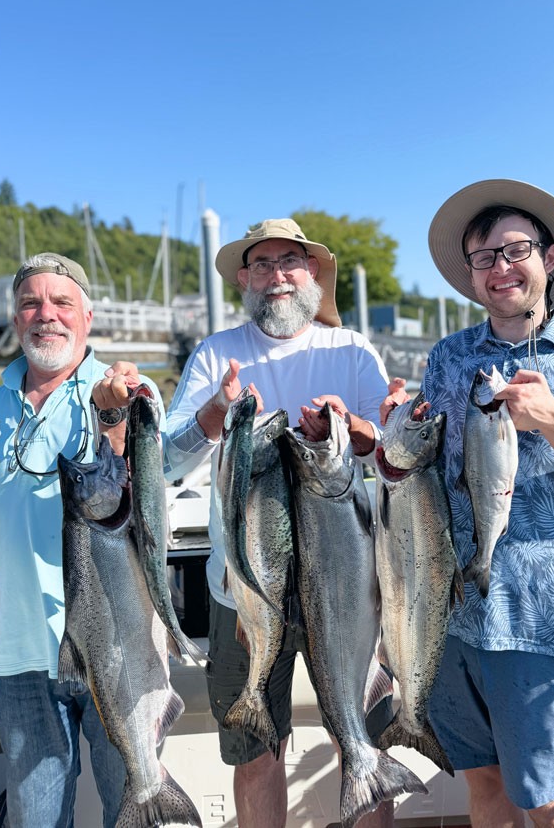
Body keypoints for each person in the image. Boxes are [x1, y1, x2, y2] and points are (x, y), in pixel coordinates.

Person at [383, 180, 554, 828]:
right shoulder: (449, 358)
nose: (501, 268)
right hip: (448, 618)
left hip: (544, 623)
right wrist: (390, 438)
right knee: (487, 789)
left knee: (552, 801)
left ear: (549, 259)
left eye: (516, 250)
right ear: (471, 274)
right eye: (484, 257)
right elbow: (422, 474)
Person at [163, 218, 396, 827]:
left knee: (361, 746)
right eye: (261, 265)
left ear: (312, 273)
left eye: (289, 261)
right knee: (257, 756)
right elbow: (165, 462)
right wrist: (216, 412)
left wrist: (355, 429)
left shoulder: (352, 352)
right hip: (241, 595)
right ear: (244, 278)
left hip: (349, 590)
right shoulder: (217, 354)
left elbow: (396, 450)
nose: (277, 277)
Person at [0, 252, 164, 827]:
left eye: (61, 302)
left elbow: (136, 491)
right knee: (34, 820)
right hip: (22, 662)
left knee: (135, 806)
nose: (46, 314)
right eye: (31, 303)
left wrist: (114, 419)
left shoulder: (130, 391)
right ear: (16, 319)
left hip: (125, 656)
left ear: (87, 317)